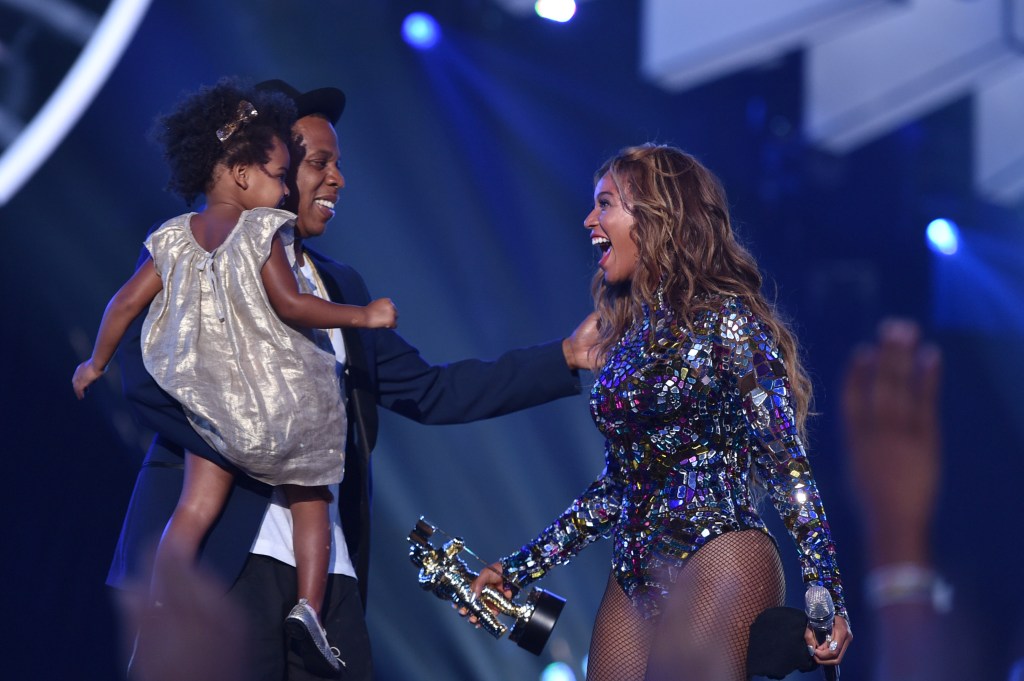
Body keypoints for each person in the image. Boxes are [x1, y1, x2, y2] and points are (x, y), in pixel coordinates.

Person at [105, 78, 599, 681]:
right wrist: (253, 443)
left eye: (337, 163)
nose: (337, 178)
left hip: (324, 574)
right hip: (226, 559)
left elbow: (431, 390)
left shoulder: (340, 290)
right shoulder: (195, 254)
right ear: (266, 167)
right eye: (318, 163)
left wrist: (566, 357)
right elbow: (141, 370)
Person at [471, 144, 851, 681]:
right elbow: (616, 486)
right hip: (634, 572)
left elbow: (784, 462)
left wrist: (825, 589)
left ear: (655, 217)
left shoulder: (729, 323)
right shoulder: (629, 341)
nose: (589, 221)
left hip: (719, 553)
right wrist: (519, 568)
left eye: (605, 204)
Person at [74, 78, 399, 675]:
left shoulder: (170, 238)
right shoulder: (262, 230)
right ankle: (309, 606)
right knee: (312, 494)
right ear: (246, 174)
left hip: (212, 408)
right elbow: (293, 304)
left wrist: (93, 361)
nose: (285, 187)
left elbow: (121, 307)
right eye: (282, 174)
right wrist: (363, 315)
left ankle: (164, 592)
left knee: (194, 507)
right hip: (278, 403)